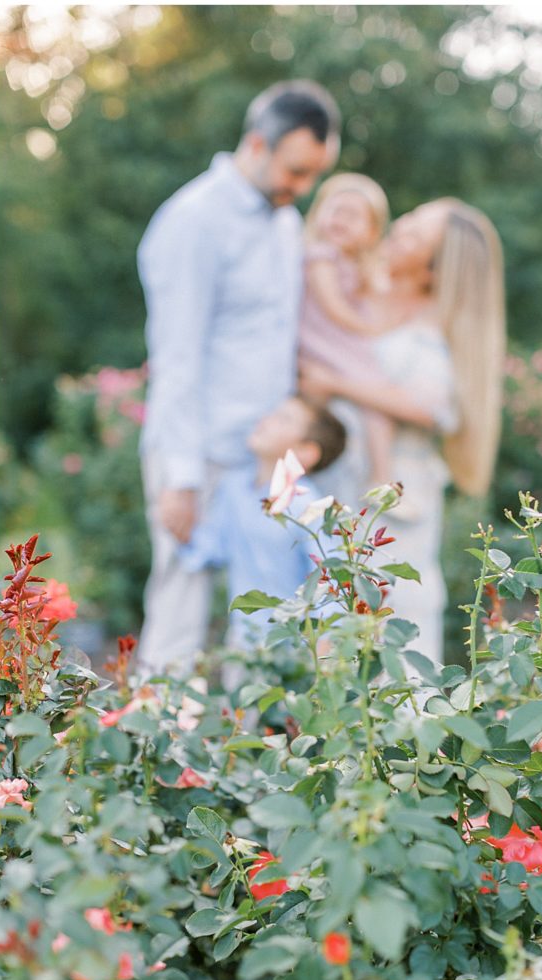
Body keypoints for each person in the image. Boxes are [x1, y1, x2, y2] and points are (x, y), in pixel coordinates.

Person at [136, 80, 340, 677]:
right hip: (198, 454)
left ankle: (252, 763)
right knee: (180, 612)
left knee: (265, 612)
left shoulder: (282, 221)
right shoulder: (194, 220)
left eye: (313, 176)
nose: (302, 189)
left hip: (264, 457)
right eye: (297, 171)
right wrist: (180, 477)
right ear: (257, 144)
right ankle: (157, 762)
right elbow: (176, 355)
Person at [301, 198, 506, 667]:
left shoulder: (431, 327)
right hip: (337, 480)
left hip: (396, 499)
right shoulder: (362, 290)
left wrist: (335, 383)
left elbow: (433, 408)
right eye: (408, 220)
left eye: (414, 235)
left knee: (394, 628)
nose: (397, 232)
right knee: (327, 626)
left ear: (434, 270)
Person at [179, 394, 346, 640]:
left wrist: (323, 651)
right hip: (243, 640)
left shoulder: (310, 507)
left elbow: (331, 582)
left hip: (294, 645)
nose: (266, 420)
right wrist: (179, 527)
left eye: (283, 419)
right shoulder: (234, 486)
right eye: (272, 413)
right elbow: (212, 549)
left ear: (306, 452)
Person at [299, 173, 398, 490]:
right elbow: (334, 308)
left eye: (353, 216)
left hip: (340, 344)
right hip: (323, 342)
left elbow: (378, 298)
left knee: (376, 405)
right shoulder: (320, 256)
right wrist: (372, 329)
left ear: (370, 232)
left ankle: (381, 475)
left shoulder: (357, 265)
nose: (341, 220)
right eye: (335, 210)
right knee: (373, 393)